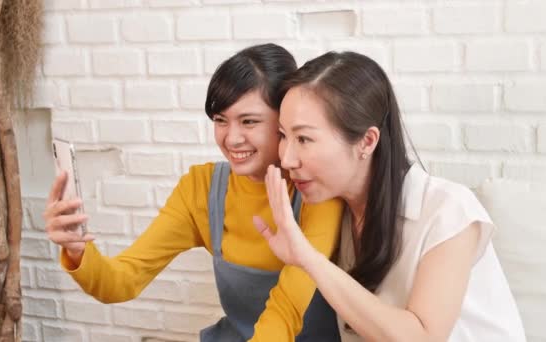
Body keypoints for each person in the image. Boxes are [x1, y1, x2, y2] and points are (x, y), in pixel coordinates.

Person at [43, 44, 343, 342]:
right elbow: (121, 281)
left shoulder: (314, 189)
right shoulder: (202, 188)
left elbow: (287, 310)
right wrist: (77, 249)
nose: (232, 138)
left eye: (249, 121)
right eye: (221, 120)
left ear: (284, 121)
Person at [253, 51, 527, 341]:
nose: (287, 159)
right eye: (283, 135)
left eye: (304, 139)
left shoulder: (448, 209)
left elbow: (423, 337)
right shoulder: (335, 214)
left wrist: (308, 258)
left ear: (367, 142)